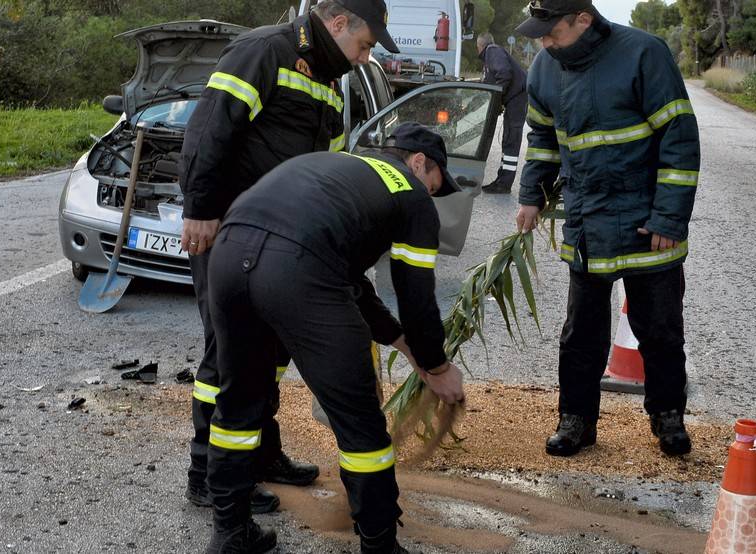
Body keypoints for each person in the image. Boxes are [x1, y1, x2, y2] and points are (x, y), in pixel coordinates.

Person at [178, 0, 401, 514]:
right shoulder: (263, 51)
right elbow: (211, 130)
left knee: (270, 353)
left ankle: (260, 454)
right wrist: (201, 210)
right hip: (230, 231)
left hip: (281, 247)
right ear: (338, 21)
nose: (365, 58)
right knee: (229, 356)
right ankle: (207, 474)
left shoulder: (327, 81)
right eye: (365, 45)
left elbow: (328, 169)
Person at [203, 123, 466, 553]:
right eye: (436, 185)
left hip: (230, 253)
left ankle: (230, 532)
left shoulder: (343, 167)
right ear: (419, 163)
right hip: (298, 269)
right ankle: (380, 545)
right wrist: (437, 367)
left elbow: (352, 284)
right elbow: (416, 295)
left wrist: (405, 346)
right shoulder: (413, 196)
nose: (433, 195)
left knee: (237, 404)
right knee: (360, 424)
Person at [513, 0, 700, 457]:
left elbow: (679, 137)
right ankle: (575, 421)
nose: (544, 42)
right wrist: (530, 195)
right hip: (587, 224)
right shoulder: (544, 67)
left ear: (583, 19)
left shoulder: (644, 53)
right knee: (581, 334)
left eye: (551, 31)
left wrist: (669, 218)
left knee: (659, 330)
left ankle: (667, 416)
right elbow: (541, 137)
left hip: (647, 224)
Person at [477, 32, 528, 194]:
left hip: (517, 98)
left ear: (480, 45)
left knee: (511, 139)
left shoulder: (492, 50)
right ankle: (501, 179)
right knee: (508, 139)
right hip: (514, 98)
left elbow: (504, 74)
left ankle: (504, 184)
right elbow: (488, 85)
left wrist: (497, 101)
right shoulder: (490, 57)